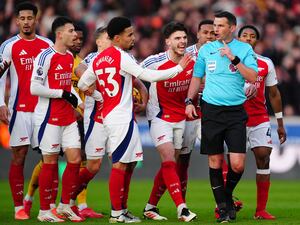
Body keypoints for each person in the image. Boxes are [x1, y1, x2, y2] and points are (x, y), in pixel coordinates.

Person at [78, 16, 192, 223]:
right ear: (116, 37)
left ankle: (122, 209)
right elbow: (148, 76)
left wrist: (101, 97)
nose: (133, 38)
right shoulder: (122, 56)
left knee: (128, 164)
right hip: (120, 118)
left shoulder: (98, 59)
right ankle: (116, 214)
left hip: (116, 116)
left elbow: (84, 84)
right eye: (129, 34)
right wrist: (178, 69)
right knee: (120, 165)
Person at [186, 11, 258, 223]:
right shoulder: (207, 50)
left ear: (232, 28)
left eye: (220, 26)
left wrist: (233, 58)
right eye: (214, 25)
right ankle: (223, 210)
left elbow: (253, 77)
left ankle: (226, 196)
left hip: (236, 111)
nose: (215, 29)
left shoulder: (244, 49)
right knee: (215, 161)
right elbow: (196, 77)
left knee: (237, 165)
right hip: (211, 110)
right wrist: (189, 101)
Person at [73, 27, 148, 222]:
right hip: (96, 119)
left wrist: (145, 98)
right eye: (107, 38)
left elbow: (138, 80)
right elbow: (79, 69)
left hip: (121, 116)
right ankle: (67, 201)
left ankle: (121, 208)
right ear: (99, 42)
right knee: (93, 165)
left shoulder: (124, 57)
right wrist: (92, 84)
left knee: (127, 163)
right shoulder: (92, 58)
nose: (112, 42)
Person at [0, 2, 52, 220]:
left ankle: (46, 207)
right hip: (19, 109)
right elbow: (2, 77)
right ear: (17, 21)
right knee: (18, 157)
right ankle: (19, 207)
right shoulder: (9, 46)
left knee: (50, 157)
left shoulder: (47, 45)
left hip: (44, 109)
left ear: (36, 19)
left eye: (30, 18)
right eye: (22, 18)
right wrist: (1, 104)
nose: (26, 22)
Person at [141, 21, 197, 222]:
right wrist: (142, 96)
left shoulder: (192, 60)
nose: (182, 41)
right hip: (159, 117)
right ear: (167, 42)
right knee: (168, 160)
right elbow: (134, 75)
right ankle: (182, 208)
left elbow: (199, 81)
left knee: (170, 165)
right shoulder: (154, 61)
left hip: (180, 117)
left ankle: (150, 206)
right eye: (177, 38)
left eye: (184, 38)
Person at [30, 16, 84, 222]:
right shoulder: (45, 56)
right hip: (48, 118)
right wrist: (61, 94)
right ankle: (44, 211)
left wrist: (77, 101)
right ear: (60, 34)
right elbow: (34, 87)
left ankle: (64, 206)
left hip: (68, 117)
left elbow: (67, 85)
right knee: (50, 163)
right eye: (71, 31)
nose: (75, 35)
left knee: (75, 160)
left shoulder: (69, 56)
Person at [238, 25, 287, 220]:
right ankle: (224, 204)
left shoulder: (265, 63)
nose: (248, 38)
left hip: (259, 118)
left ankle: (260, 210)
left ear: (256, 41)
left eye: (252, 36)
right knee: (235, 165)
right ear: (238, 38)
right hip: (234, 119)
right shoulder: (227, 60)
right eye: (245, 35)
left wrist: (280, 123)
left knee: (264, 156)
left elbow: (274, 93)